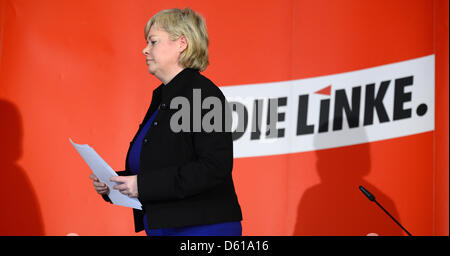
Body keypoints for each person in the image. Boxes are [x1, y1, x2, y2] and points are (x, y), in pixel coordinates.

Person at [89, 7, 243, 236]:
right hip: (167, 226)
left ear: (182, 43)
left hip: (202, 229)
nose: (145, 50)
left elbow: (213, 167)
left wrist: (141, 185)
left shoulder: (203, 94)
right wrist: (115, 183)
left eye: (153, 42)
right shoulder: (164, 96)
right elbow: (163, 166)